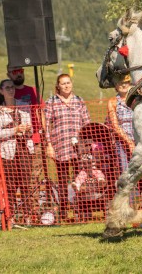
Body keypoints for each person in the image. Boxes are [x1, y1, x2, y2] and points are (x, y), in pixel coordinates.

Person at [44, 74, 91, 221]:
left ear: (72, 84)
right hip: (60, 146)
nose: (66, 86)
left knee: (80, 179)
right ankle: (64, 213)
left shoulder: (79, 101)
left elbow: (87, 122)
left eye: (68, 83)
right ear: (58, 86)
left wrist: (89, 143)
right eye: (63, 83)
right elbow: (45, 125)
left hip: (79, 147)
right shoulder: (52, 101)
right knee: (63, 180)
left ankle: (83, 212)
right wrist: (49, 145)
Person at [6, 66, 44, 212]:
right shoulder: (4, 91)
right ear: (8, 74)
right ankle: (13, 211)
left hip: (33, 141)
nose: (18, 73)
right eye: (14, 71)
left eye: (20, 70)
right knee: (14, 178)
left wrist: (43, 136)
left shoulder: (32, 91)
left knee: (32, 177)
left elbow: (41, 113)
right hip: (11, 145)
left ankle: (33, 212)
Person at [0, 79, 34, 224]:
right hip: (8, 152)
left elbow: (30, 126)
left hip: (24, 149)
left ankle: (28, 216)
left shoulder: (24, 106)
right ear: (1, 91)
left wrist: (27, 128)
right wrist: (14, 130)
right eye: (7, 88)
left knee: (25, 183)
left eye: (12, 87)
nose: (11, 90)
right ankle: (9, 216)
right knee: (10, 185)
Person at [106, 74, 134, 174]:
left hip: (139, 140)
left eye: (126, 82)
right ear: (116, 86)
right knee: (125, 171)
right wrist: (129, 142)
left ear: (130, 84)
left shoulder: (136, 99)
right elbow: (115, 125)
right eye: (120, 83)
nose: (123, 85)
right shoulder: (112, 102)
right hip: (121, 141)